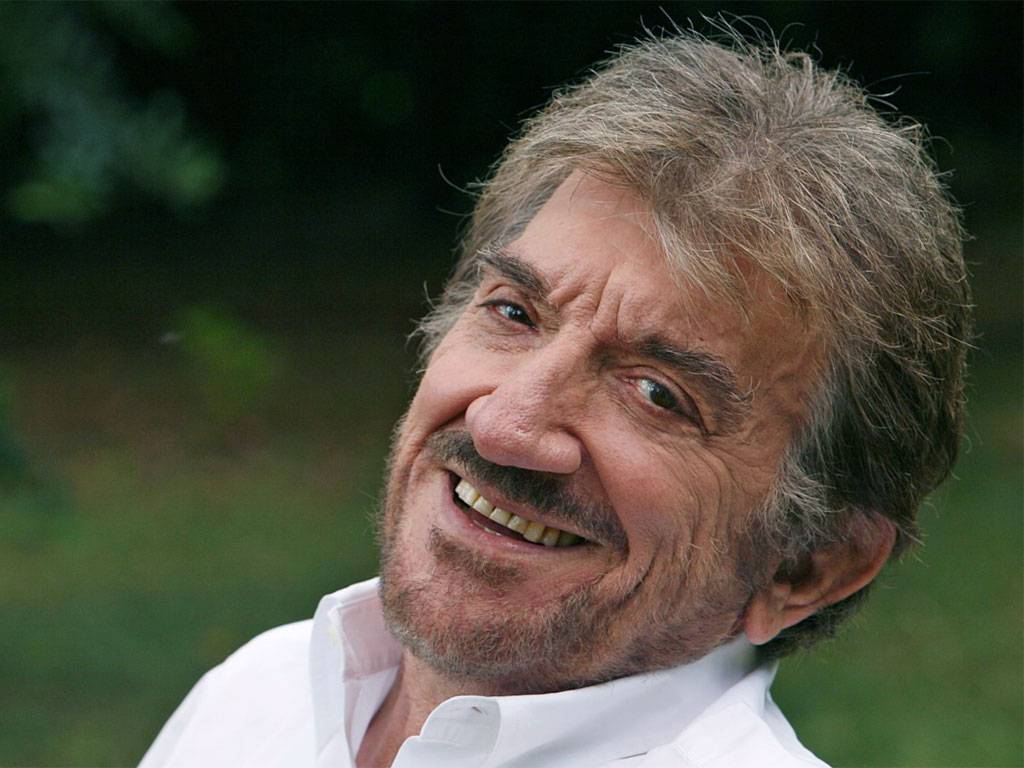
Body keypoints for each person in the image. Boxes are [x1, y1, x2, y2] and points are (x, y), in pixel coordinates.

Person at [139, 27, 970, 768]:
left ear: (810, 565)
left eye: (657, 393)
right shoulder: (264, 692)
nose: (504, 425)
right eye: (513, 312)